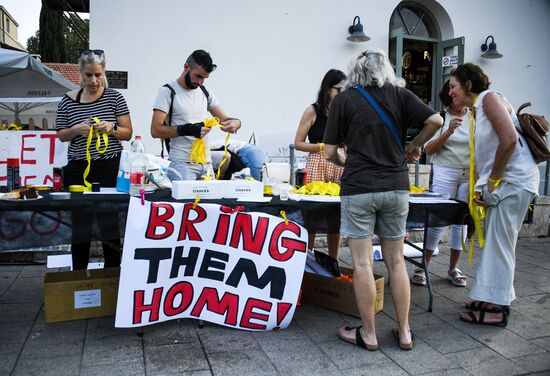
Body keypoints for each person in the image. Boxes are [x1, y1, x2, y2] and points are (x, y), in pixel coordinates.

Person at [324, 50, 443, 350]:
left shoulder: (344, 100)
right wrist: (414, 145)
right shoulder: (400, 95)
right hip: (395, 186)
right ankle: (404, 332)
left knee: (362, 263)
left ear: (355, 72)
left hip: (359, 187)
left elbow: (328, 152)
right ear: (386, 70)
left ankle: (369, 333)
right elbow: (436, 119)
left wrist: (345, 162)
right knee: (396, 261)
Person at [449, 63, 539, 326]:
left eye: (453, 86)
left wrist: (492, 182)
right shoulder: (480, 107)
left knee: (500, 245)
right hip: (509, 182)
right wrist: (486, 185)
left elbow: (509, 139)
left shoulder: (489, 98)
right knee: (498, 243)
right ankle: (491, 296)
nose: (450, 92)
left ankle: (497, 310)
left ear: (468, 85)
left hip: (513, 182)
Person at [56, 49, 133, 270]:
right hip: (78, 168)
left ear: (104, 72)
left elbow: (127, 132)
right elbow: (61, 135)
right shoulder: (67, 100)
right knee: (81, 225)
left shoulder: (114, 97)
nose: (93, 80)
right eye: (88, 75)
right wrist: (76, 129)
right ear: (80, 72)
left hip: (109, 166)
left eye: (98, 74)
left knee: (109, 224)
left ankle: (111, 278)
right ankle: (78, 278)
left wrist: (111, 128)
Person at [411, 80, 470, 287]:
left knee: (460, 223)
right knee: (437, 220)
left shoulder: (474, 117)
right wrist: (448, 132)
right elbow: (429, 149)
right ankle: (423, 266)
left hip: (469, 173)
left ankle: (454, 268)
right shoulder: (441, 117)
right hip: (446, 171)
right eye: (453, 92)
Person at [150, 49, 241, 180]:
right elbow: (155, 130)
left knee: (211, 201)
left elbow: (225, 119)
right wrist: (187, 130)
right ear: (186, 67)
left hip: (206, 163)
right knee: (185, 201)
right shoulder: (168, 91)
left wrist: (237, 123)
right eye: (198, 76)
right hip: (182, 164)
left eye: (204, 78)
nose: (200, 82)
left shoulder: (205, 91)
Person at [294, 69, 347, 260]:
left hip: (339, 162)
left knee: (336, 217)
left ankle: (334, 262)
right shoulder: (312, 110)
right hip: (317, 161)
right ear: (327, 89)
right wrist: (321, 146)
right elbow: (298, 143)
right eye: (339, 89)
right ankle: (306, 261)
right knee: (313, 216)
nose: (343, 93)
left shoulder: (343, 111)